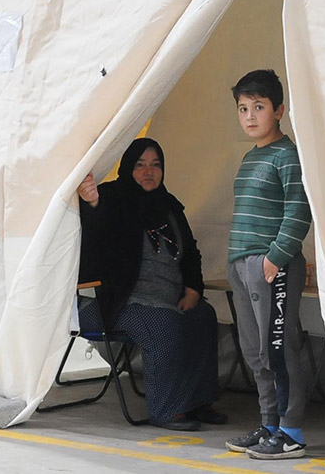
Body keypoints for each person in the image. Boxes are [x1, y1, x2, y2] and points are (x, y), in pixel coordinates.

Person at [77, 137, 227, 431]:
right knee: (163, 323)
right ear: (127, 168)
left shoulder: (168, 205)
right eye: (140, 165)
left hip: (169, 297)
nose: (149, 172)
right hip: (122, 301)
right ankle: (167, 410)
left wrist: (194, 289)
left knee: (202, 316)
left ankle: (196, 402)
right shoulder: (112, 198)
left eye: (156, 165)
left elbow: (191, 253)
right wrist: (93, 203)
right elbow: (94, 239)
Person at [223, 69, 313, 460]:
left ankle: (290, 431)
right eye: (243, 108)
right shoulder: (250, 157)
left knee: (278, 349)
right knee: (255, 351)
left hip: (271, 265)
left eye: (258, 107)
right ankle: (270, 424)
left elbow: (299, 210)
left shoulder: (288, 155)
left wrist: (276, 257)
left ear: (278, 110)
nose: (250, 116)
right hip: (242, 265)